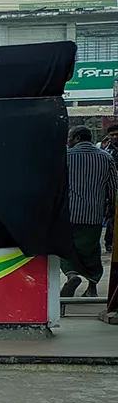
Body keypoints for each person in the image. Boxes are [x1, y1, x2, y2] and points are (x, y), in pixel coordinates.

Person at [63, 126, 118, 297]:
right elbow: (114, 188)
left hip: (68, 213)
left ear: (77, 138)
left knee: (64, 246)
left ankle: (71, 274)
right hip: (94, 214)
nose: (68, 141)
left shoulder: (65, 157)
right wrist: (112, 211)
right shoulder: (106, 157)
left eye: (70, 138)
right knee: (91, 249)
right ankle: (92, 286)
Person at [102, 125, 118, 252]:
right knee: (112, 216)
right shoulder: (106, 152)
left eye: (117, 134)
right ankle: (110, 242)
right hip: (111, 189)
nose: (115, 137)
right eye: (112, 135)